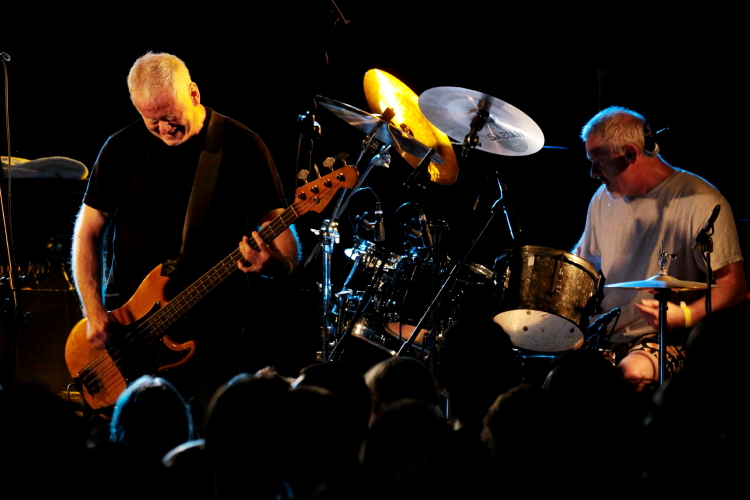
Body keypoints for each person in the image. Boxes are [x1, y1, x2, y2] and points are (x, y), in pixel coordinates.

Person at [71, 52, 299, 417]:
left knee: (213, 441)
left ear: (193, 93)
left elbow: (286, 243)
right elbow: (88, 232)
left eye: (170, 117)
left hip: (212, 337)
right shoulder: (120, 148)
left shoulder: (242, 145)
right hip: (130, 337)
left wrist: (274, 264)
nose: (164, 129)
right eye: (152, 121)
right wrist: (94, 310)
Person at [574, 106, 746, 384]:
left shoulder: (700, 200)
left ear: (630, 153)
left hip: (667, 337)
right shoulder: (602, 198)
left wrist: (686, 315)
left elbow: (734, 286)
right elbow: (584, 261)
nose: (593, 173)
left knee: (630, 376)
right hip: (605, 331)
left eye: (598, 161)